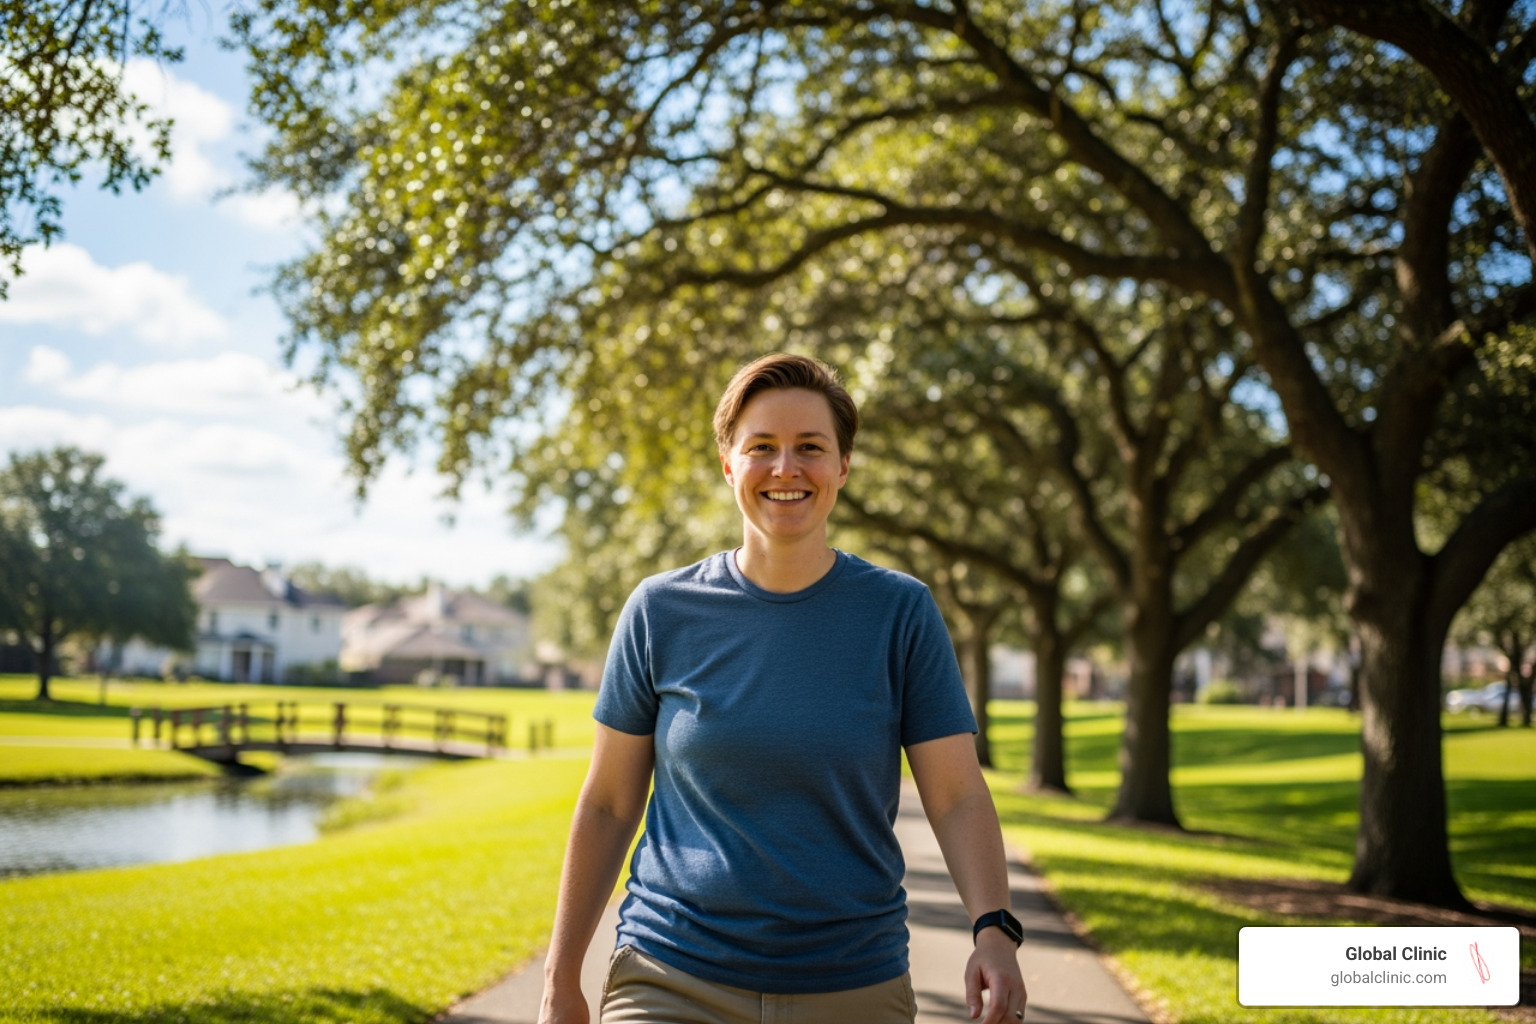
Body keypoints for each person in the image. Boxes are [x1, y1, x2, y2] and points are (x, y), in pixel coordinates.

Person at [538, 353, 1028, 1024]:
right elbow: (607, 804)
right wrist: (561, 975)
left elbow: (957, 793)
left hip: (853, 986)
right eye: (761, 447)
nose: (785, 468)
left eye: (811, 448)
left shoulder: (900, 614)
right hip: (669, 975)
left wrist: (994, 930)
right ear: (728, 463)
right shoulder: (659, 611)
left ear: (843, 466)